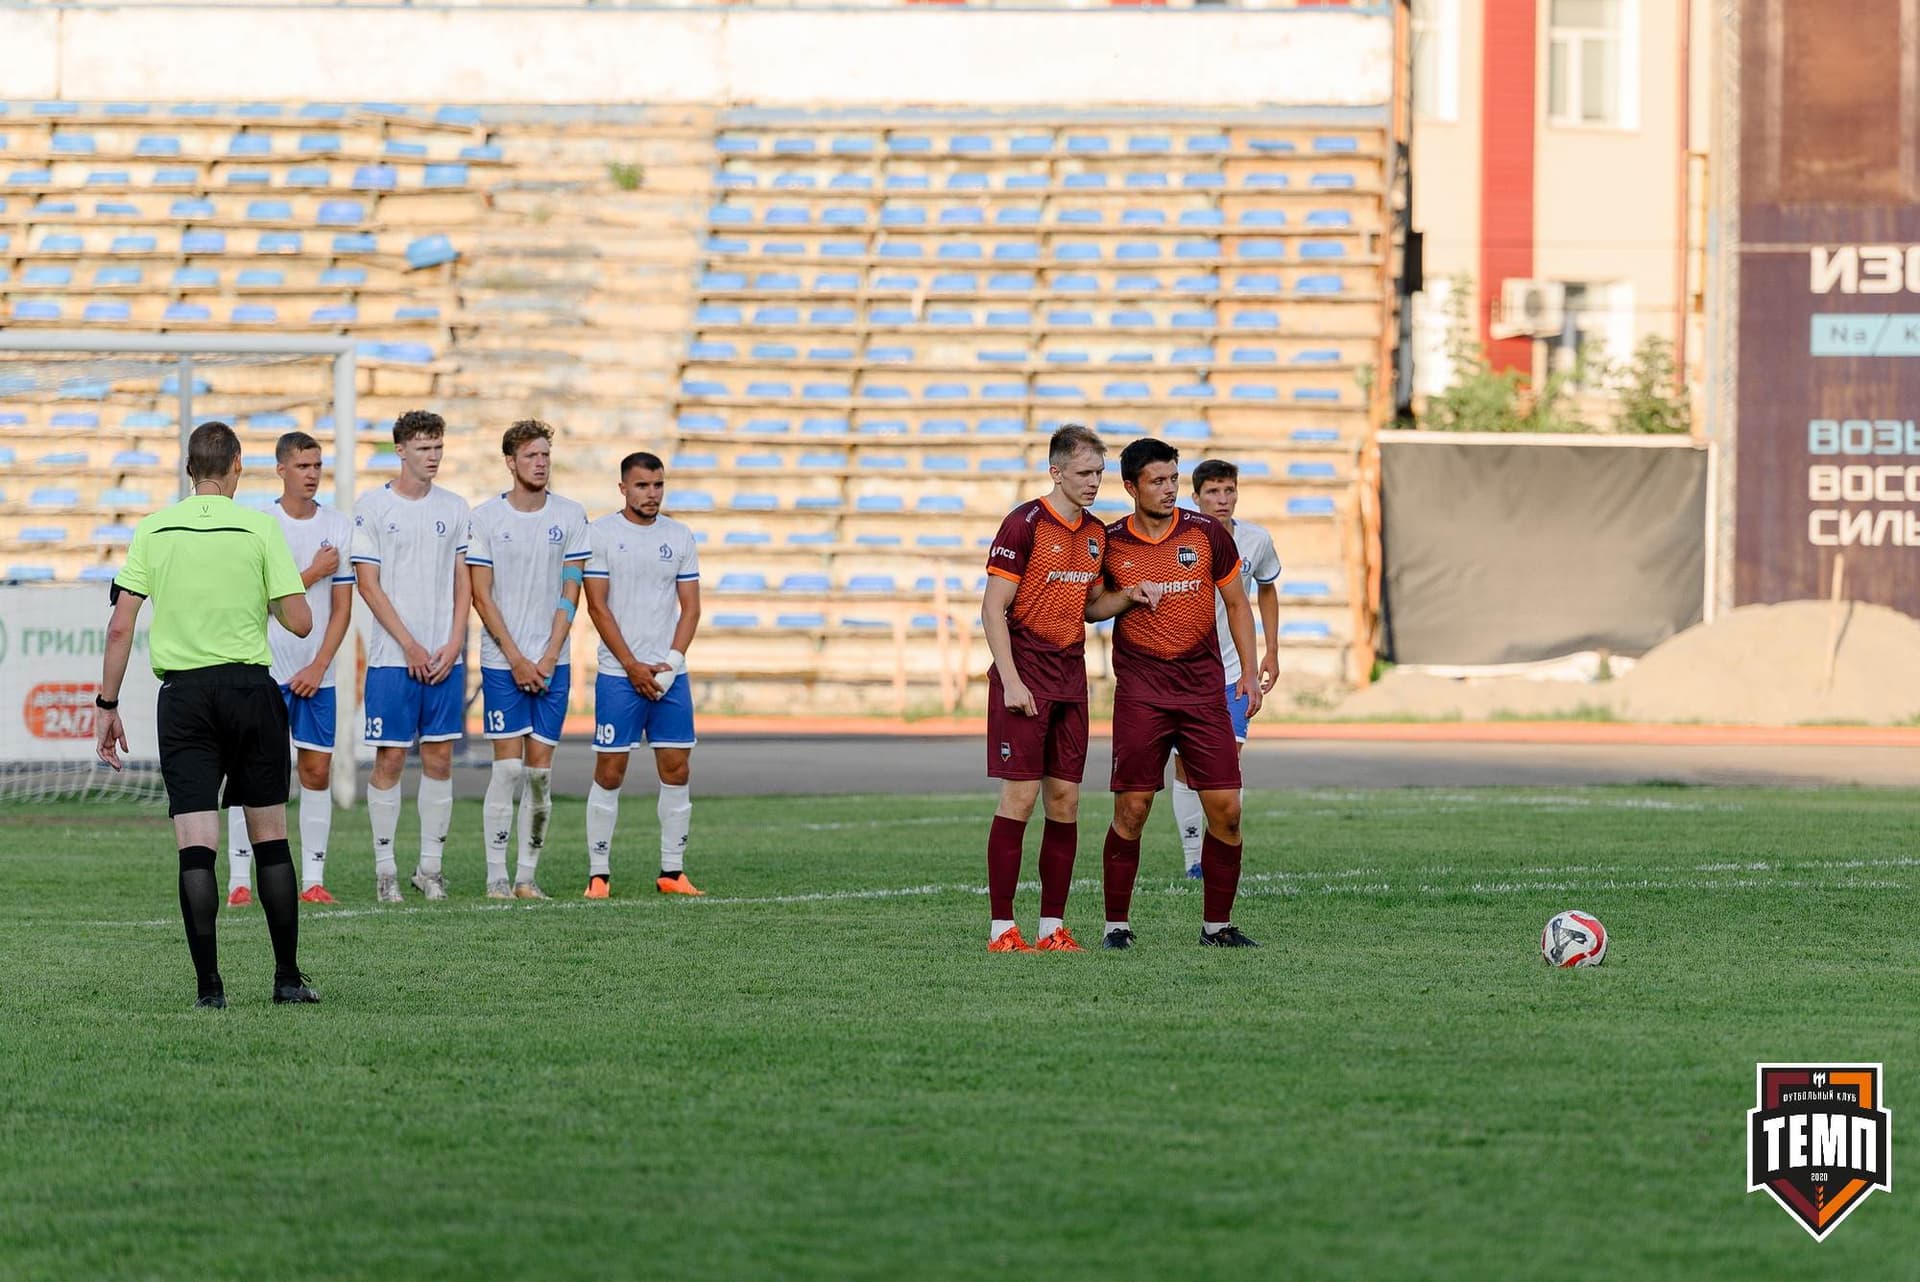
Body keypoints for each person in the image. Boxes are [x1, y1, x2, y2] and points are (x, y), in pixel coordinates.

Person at [95, 420, 321, 1007]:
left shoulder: (153, 528)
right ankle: (287, 980)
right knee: (271, 840)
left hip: (185, 697)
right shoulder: (260, 527)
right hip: (250, 691)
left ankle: (209, 990)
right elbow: (301, 622)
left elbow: (120, 626)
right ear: (238, 465)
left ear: (189, 469)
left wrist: (107, 705)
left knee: (196, 845)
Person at [1090, 437, 1262, 949]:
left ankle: (1216, 927)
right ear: (1131, 487)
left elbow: (1238, 604)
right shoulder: (1110, 541)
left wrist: (1248, 672)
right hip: (1141, 693)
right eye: (1157, 481)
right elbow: (1092, 608)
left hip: (1204, 692)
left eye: (1173, 479)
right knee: (1133, 810)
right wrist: (1127, 596)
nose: (1169, 490)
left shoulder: (1206, 534)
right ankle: (1116, 927)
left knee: (1227, 810)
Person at [977, 424, 1124, 954]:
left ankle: (1051, 929)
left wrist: (1129, 596)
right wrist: (1011, 680)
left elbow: (1092, 606)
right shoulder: (1025, 524)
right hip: (1026, 674)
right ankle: (1001, 929)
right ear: (1055, 472)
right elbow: (993, 607)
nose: (1093, 482)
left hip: (1069, 677)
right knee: (1020, 796)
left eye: (1099, 473)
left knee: (1065, 800)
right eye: (1084, 473)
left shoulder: (1096, 532)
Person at [221, 431, 355, 907]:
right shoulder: (260, 525)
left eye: (317, 466)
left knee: (316, 771)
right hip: (265, 673)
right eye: (302, 466)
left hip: (318, 676)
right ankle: (239, 880)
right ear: (281, 469)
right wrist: (313, 572)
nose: (312, 474)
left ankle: (313, 879)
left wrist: (319, 666)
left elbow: (342, 608)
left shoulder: (338, 526)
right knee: (250, 775)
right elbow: (253, 600)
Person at [467, 420, 591, 900]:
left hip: (551, 662)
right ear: (510, 462)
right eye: (531, 456)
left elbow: (571, 590)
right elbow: (481, 596)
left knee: (540, 776)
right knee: (507, 770)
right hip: (504, 663)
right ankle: (496, 876)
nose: (540, 464)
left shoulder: (571, 515)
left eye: (545, 455)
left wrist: (550, 653)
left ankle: (525, 877)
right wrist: (517, 658)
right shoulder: (485, 519)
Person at [351, 410, 471, 903]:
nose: (433, 456)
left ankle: (430, 869)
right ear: (400, 451)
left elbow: (464, 580)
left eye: (438, 447)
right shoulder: (372, 507)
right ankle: (386, 871)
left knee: (440, 757)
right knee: (392, 758)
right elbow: (368, 585)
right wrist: (410, 644)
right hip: (392, 659)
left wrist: (455, 640)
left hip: (444, 657)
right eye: (424, 448)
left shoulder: (456, 507)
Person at [581, 452, 703, 899]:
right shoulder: (601, 534)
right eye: (642, 486)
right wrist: (631, 664)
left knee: (677, 768)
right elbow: (597, 607)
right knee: (611, 770)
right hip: (619, 674)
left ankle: (672, 871)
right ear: (623, 489)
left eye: (657, 485)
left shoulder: (680, 535)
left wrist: (671, 662)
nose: (651, 494)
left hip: (669, 676)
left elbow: (691, 608)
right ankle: (599, 874)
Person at [1168, 459, 1281, 877]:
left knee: (1226, 764)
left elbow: (1267, 588)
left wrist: (1271, 651)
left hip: (1234, 673)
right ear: (1195, 497)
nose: (1222, 499)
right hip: (1185, 674)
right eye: (1213, 492)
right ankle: (1193, 860)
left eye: (1228, 490)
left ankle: (1221, 856)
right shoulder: (1177, 540)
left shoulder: (1256, 540)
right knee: (1185, 766)